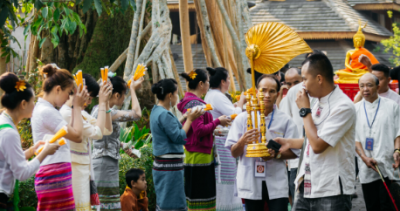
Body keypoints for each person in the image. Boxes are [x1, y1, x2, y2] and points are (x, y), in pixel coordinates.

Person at [275, 53, 356, 211]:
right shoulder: (317, 102)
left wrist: (305, 111)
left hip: (332, 190)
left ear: (319, 79)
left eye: (304, 79)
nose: (302, 85)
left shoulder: (343, 106)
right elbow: (312, 140)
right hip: (307, 184)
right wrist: (289, 142)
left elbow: (318, 145)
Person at [226, 74, 299, 211]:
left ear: (277, 94)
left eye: (272, 91)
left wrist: (276, 155)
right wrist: (242, 141)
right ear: (256, 92)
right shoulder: (243, 119)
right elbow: (234, 153)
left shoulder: (285, 120)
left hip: (276, 180)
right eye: (263, 90)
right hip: (251, 180)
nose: (267, 95)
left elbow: (294, 152)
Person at [31, 64, 89, 211]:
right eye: (69, 93)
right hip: (54, 175)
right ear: (58, 89)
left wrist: (77, 106)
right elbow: (77, 136)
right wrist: (76, 106)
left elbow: (72, 131)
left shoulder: (46, 109)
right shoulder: (47, 112)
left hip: (55, 173)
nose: (68, 98)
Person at [0, 73, 59, 210]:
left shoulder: (3, 122)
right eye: (33, 101)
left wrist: (32, 150)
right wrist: (44, 153)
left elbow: (7, 159)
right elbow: (22, 173)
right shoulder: (9, 133)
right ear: (23, 104)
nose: (35, 105)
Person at [177, 69, 231, 211]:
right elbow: (199, 130)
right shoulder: (195, 104)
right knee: (201, 197)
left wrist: (214, 128)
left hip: (196, 153)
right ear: (201, 84)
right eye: (207, 81)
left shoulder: (191, 101)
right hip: (198, 155)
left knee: (197, 195)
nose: (208, 84)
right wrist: (218, 121)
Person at [60, 73, 113, 211]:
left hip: (84, 169)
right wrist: (101, 103)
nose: (89, 103)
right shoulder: (66, 113)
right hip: (74, 170)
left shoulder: (81, 113)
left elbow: (107, 129)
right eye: (89, 98)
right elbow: (97, 133)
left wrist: (106, 102)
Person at [91, 74, 144, 210]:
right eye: (124, 94)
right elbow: (137, 114)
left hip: (103, 162)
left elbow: (102, 137)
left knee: (102, 205)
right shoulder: (110, 113)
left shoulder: (96, 109)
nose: (124, 97)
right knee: (105, 206)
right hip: (105, 164)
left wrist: (122, 145)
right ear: (116, 95)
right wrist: (133, 89)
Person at [150, 78, 202, 211]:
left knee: (164, 202)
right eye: (176, 93)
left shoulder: (156, 111)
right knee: (172, 204)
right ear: (169, 95)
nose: (177, 97)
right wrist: (190, 120)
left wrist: (185, 117)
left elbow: (169, 129)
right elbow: (178, 137)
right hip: (169, 168)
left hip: (163, 165)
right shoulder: (165, 114)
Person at [354, 73, 400, 211]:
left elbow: (398, 132)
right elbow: (353, 138)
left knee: (389, 204)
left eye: (369, 85)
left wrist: (397, 150)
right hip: (367, 166)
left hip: (388, 163)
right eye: (361, 86)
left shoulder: (392, 106)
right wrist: (364, 157)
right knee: (372, 205)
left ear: (378, 86)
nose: (365, 89)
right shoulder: (355, 109)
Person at [204, 67, 244, 211]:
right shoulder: (217, 95)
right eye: (228, 79)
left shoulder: (212, 94)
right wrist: (241, 102)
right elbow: (234, 114)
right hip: (221, 142)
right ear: (222, 81)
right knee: (226, 176)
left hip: (219, 140)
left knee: (224, 177)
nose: (229, 82)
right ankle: (226, 206)